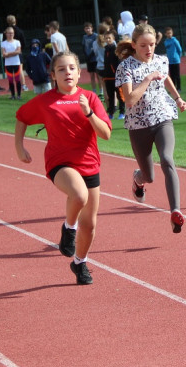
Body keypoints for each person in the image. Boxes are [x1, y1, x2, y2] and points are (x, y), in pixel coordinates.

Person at [14, 51, 112, 285]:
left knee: (90, 225)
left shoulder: (90, 98)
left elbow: (106, 134)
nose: (67, 72)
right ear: (53, 75)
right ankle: (69, 228)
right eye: (61, 69)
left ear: (79, 73)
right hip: (60, 163)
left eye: (71, 68)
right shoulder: (45, 101)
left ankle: (79, 262)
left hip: (89, 163)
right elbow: (22, 117)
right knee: (78, 195)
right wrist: (19, 147)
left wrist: (89, 112)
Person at [115, 23, 186, 233]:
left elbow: (165, 77)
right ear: (134, 45)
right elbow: (130, 100)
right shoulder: (126, 67)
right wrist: (148, 78)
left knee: (167, 159)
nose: (148, 49)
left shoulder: (161, 60)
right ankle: (138, 179)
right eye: (143, 46)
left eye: (151, 45)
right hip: (138, 125)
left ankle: (175, 211)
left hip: (162, 118)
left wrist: (178, 98)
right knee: (149, 176)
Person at [6, 14, 32, 91]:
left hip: (9, 53)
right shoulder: (19, 31)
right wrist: (19, 50)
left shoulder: (6, 32)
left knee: (10, 70)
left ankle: (11, 86)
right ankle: (23, 85)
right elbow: (23, 43)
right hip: (18, 52)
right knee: (20, 69)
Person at [0, 26, 23, 99]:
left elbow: (18, 51)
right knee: (10, 80)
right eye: (9, 33)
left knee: (17, 79)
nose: (11, 34)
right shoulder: (3, 43)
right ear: (6, 34)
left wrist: (8, 54)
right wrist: (13, 53)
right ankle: (13, 95)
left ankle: (19, 95)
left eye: (12, 33)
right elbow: (4, 54)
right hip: (8, 64)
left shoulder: (17, 42)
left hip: (16, 63)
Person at [81, 22, 102, 93]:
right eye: (86, 28)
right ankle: (94, 91)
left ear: (92, 28)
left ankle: (101, 91)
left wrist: (91, 55)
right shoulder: (84, 37)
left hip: (95, 59)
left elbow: (96, 47)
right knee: (91, 76)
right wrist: (86, 56)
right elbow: (84, 47)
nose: (88, 30)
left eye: (89, 28)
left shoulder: (95, 36)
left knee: (98, 76)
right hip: (89, 59)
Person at [162, 27, 183, 91]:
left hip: (176, 60)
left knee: (177, 75)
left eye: (170, 33)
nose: (169, 34)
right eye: (168, 33)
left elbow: (179, 49)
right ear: (165, 34)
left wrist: (178, 57)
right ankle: (173, 88)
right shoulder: (165, 42)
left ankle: (179, 88)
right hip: (170, 61)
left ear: (172, 33)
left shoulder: (175, 41)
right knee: (172, 75)